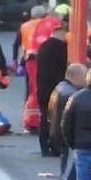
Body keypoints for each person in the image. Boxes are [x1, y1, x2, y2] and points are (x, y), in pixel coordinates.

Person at [43, 63, 87, 180]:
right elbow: (67, 122)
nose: (86, 79)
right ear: (75, 76)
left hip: (61, 139)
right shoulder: (70, 94)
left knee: (69, 178)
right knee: (67, 178)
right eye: (84, 75)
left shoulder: (60, 89)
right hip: (68, 141)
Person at [35, 19, 69, 156]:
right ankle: (55, 147)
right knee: (55, 119)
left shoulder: (43, 46)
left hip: (42, 87)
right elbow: (63, 66)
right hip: (55, 88)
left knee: (45, 116)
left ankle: (44, 146)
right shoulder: (59, 47)